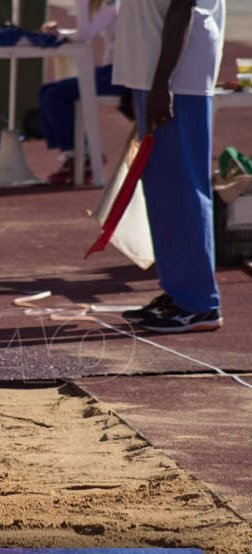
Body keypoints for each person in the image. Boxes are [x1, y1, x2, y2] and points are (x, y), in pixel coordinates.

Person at [115, 0, 225, 333]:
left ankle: (198, 301)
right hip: (155, 73)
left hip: (177, 78)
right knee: (164, 188)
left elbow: (182, 8)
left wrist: (163, 84)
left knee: (180, 186)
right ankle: (179, 291)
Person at [38, 0, 125, 184]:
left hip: (119, 74)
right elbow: (85, 33)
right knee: (47, 91)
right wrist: (60, 33)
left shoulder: (112, 3)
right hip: (109, 71)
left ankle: (81, 156)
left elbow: (85, 35)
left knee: (55, 95)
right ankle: (74, 154)